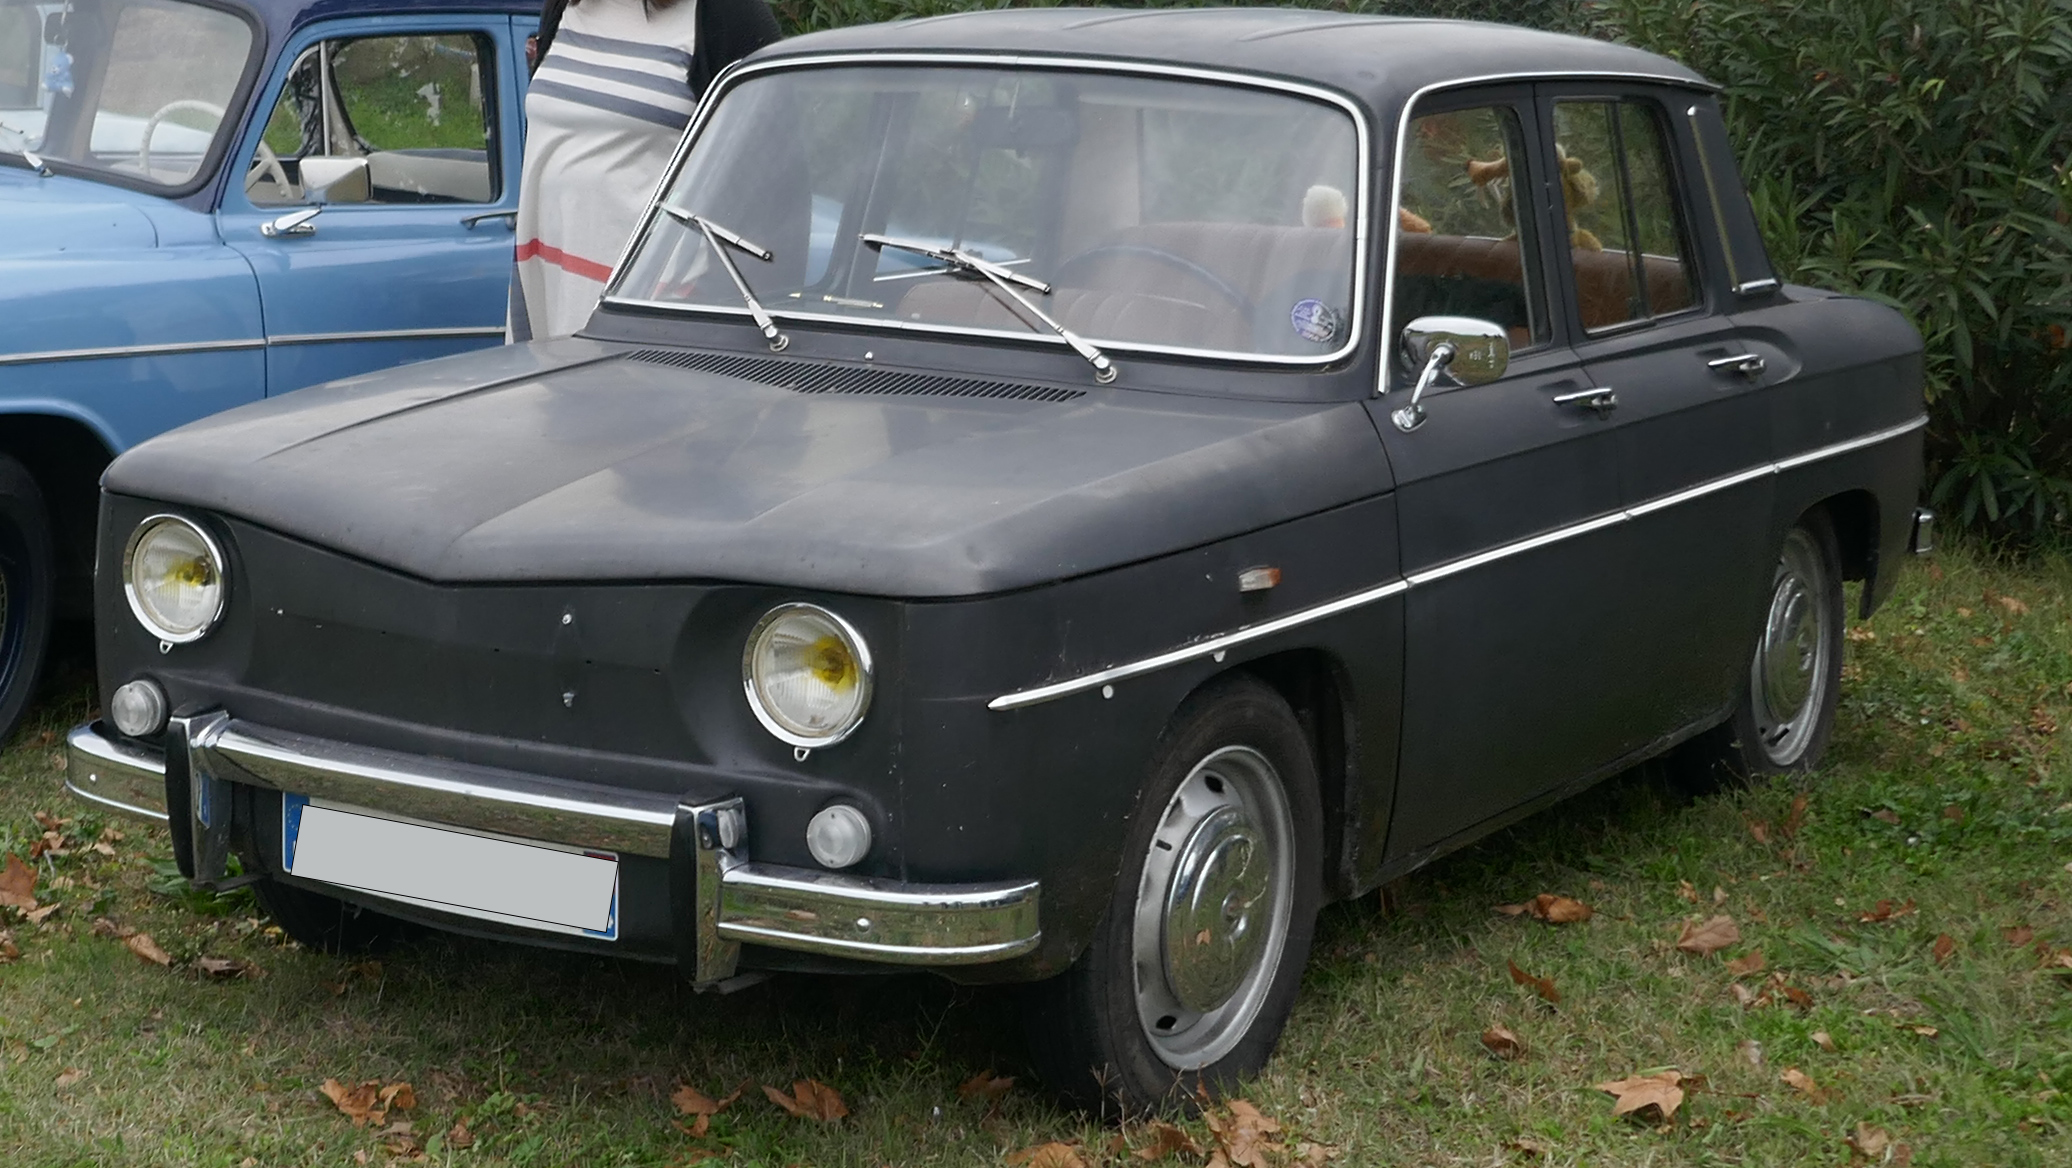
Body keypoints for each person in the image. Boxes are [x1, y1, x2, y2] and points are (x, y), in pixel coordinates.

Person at [509, 0, 781, 341]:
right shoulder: (564, 8)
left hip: (656, 325)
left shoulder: (723, 13)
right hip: (550, 301)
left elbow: (781, 191)